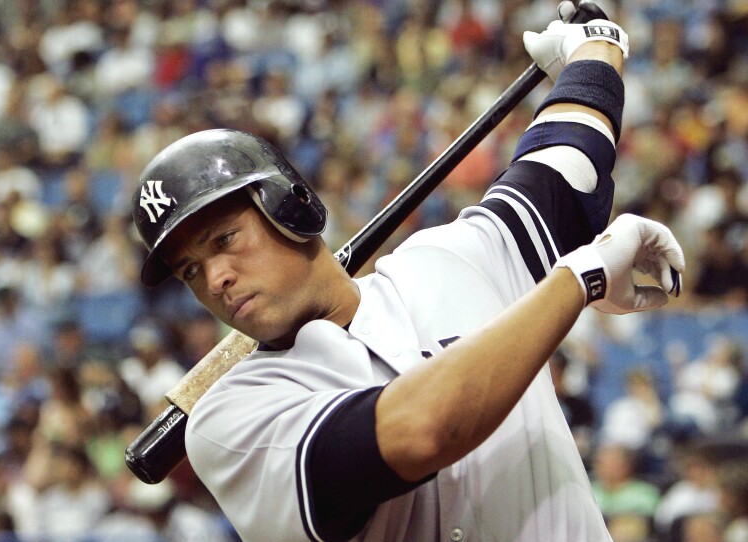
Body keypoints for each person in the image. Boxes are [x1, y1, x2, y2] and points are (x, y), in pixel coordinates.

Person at [129, 4, 685, 541]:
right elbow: (422, 432)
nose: (215, 279)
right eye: (190, 272)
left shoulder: (447, 260)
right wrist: (577, 280)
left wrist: (594, 45)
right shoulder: (229, 420)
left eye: (224, 240)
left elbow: (568, 162)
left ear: (290, 206)